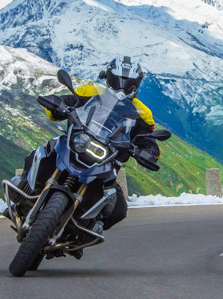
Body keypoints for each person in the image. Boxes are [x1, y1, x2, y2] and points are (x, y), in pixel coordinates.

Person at [10, 57, 160, 239]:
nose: (122, 87)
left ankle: (82, 232)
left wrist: (149, 152)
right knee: (44, 151)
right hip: (75, 144)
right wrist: (57, 105)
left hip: (107, 161)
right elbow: (69, 100)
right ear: (109, 78)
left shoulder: (143, 113)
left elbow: (147, 139)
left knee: (118, 209)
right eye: (117, 81)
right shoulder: (91, 91)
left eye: (128, 83)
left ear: (136, 85)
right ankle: (23, 187)